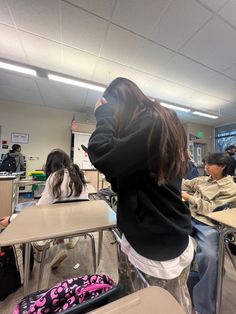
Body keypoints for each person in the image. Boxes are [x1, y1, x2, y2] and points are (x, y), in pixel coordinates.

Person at [88, 77, 194, 313]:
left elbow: (103, 153)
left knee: (157, 305)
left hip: (156, 239)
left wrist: (103, 115)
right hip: (161, 233)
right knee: (174, 301)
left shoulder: (152, 121)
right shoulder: (162, 122)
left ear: (118, 104)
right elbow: (127, 178)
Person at [0, 149, 89, 268]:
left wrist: (12, 219)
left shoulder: (55, 177)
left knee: (33, 212)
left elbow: (39, 210)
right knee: (62, 212)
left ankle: (42, 243)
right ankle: (68, 239)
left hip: (57, 225)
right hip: (81, 223)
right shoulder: (79, 175)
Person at [182, 152, 236, 314]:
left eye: (209, 165)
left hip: (208, 223)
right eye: (205, 164)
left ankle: (205, 308)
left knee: (209, 256)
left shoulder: (231, 188)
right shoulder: (203, 180)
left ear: (222, 167)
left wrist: (188, 198)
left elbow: (210, 209)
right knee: (183, 251)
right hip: (188, 218)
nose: (205, 167)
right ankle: (187, 295)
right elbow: (185, 184)